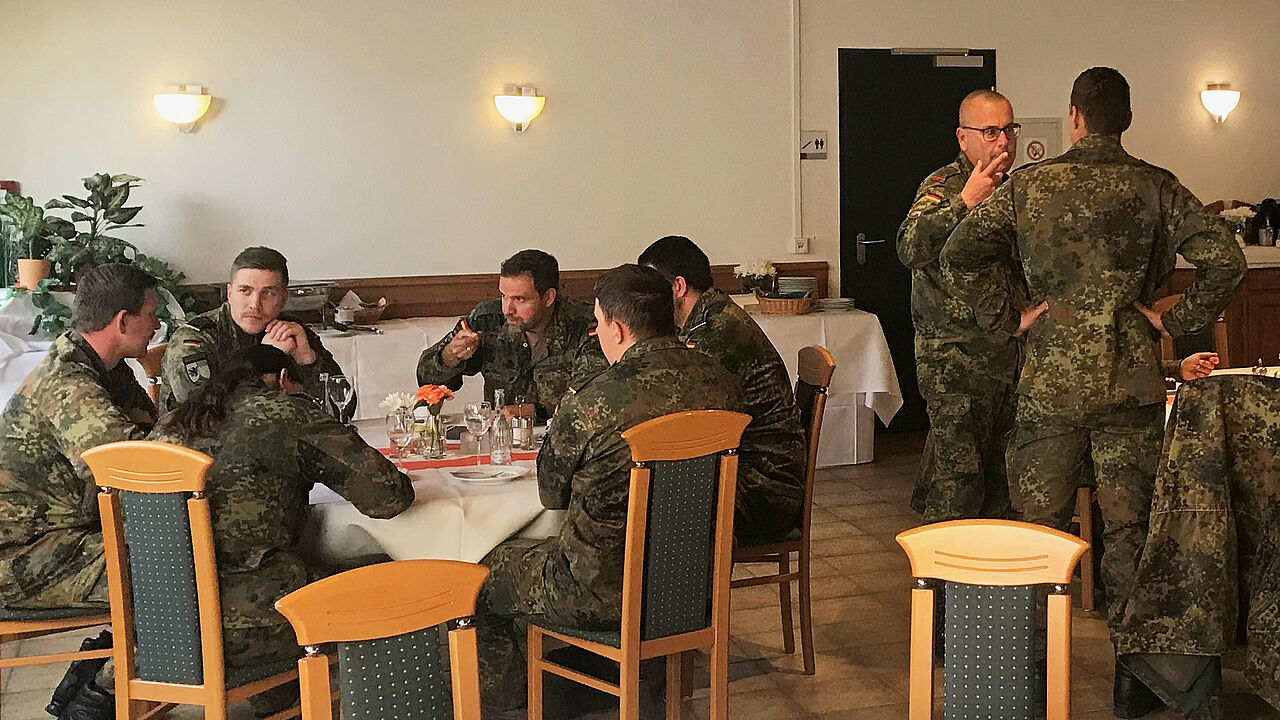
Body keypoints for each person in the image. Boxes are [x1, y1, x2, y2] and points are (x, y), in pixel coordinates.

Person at [940, 67, 1246, 717]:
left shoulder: (1031, 185)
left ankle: (1027, 683)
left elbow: (959, 252)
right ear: (1125, 119)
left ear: (1075, 117)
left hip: (1049, 385)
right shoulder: (1156, 188)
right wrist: (1173, 319)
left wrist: (1009, 318)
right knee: (1129, 537)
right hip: (1129, 385)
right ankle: (1135, 689)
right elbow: (1228, 259)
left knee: (1037, 536)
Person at [474, 264, 739, 715]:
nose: (596, 334)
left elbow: (551, 493)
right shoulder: (721, 382)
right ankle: (641, 683)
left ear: (616, 328)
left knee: (484, 577)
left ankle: (515, 706)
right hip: (695, 583)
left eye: (598, 324)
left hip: (599, 591)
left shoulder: (593, 401)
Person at [143, 344, 414, 719]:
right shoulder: (286, 412)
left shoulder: (170, 424)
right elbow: (389, 497)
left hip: (156, 621)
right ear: (285, 380)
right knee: (397, 586)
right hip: (248, 622)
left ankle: (280, 703)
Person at [0, 264, 160, 717]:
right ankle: (98, 700)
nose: (157, 325)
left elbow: (155, 436)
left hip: (62, 538)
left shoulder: (105, 368)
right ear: (123, 321)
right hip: (22, 558)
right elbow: (135, 468)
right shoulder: (69, 385)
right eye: (150, 314)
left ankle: (101, 668)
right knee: (176, 567)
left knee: (180, 550)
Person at [898, 89, 1033, 523]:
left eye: (1009, 130)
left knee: (1000, 486)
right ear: (963, 137)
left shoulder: (1017, 190)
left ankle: (987, 588)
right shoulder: (943, 186)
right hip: (953, 360)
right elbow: (909, 247)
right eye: (991, 131)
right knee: (958, 483)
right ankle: (937, 585)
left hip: (1006, 355)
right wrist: (964, 203)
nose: (1004, 142)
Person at [638, 235, 805, 540]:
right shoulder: (708, 316)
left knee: (640, 508)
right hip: (750, 470)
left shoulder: (715, 332)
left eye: (651, 289)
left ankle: (682, 586)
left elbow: (683, 410)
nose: (646, 300)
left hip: (765, 490)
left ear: (677, 287)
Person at [416, 249, 606, 420]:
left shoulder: (585, 325)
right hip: (501, 443)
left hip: (565, 440)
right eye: (503, 296)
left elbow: (595, 396)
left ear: (548, 297)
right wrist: (449, 357)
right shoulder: (487, 319)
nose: (507, 309)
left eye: (519, 299)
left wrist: (536, 412)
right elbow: (427, 382)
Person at [160, 246, 345, 410]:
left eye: (268, 293)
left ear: (283, 298)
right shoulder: (194, 340)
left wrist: (307, 360)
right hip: (197, 447)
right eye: (245, 291)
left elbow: (343, 408)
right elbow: (205, 416)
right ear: (230, 294)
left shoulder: (290, 331)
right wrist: (265, 357)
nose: (255, 304)